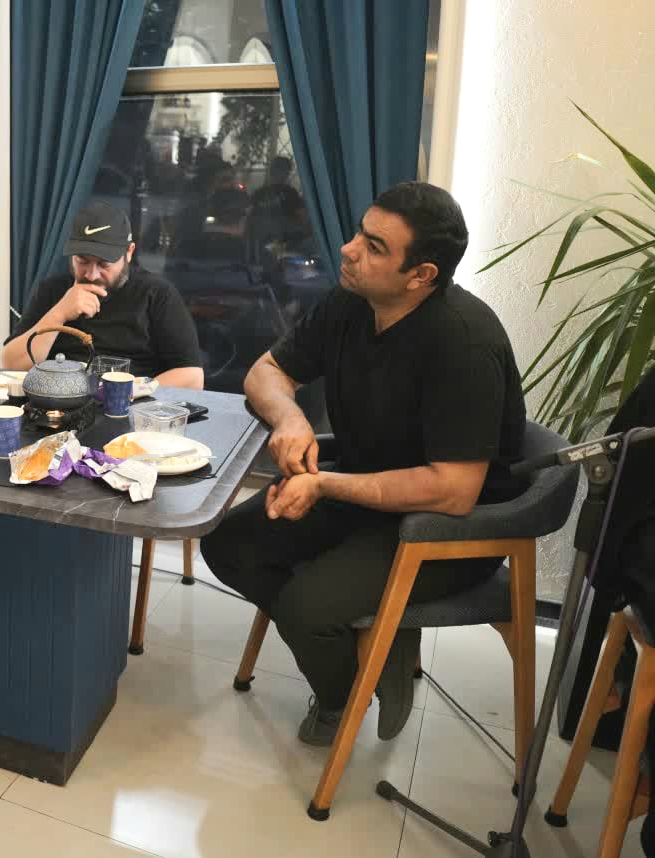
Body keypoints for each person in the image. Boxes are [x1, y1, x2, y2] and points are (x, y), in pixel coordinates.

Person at [200, 182, 527, 746]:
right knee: (228, 544)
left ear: (421, 275)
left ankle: (341, 696)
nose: (348, 250)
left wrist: (325, 485)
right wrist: (290, 418)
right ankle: (370, 652)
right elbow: (265, 373)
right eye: (359, 232)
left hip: (448, 528)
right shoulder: (353, 302)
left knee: (307, 608)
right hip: (362, 489)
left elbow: (453, 490)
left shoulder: (462, 343)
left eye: (374, 247)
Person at [2, 202, 204, 390]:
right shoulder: (51, 290)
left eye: (104, 263)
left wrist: (123, 392)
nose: (92, 275)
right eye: (82, 261)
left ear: (129, 252)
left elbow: (193, 377)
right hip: (59, 400)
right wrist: (59, 314)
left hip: (132, 405)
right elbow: (11, 364)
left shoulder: (156, 294)